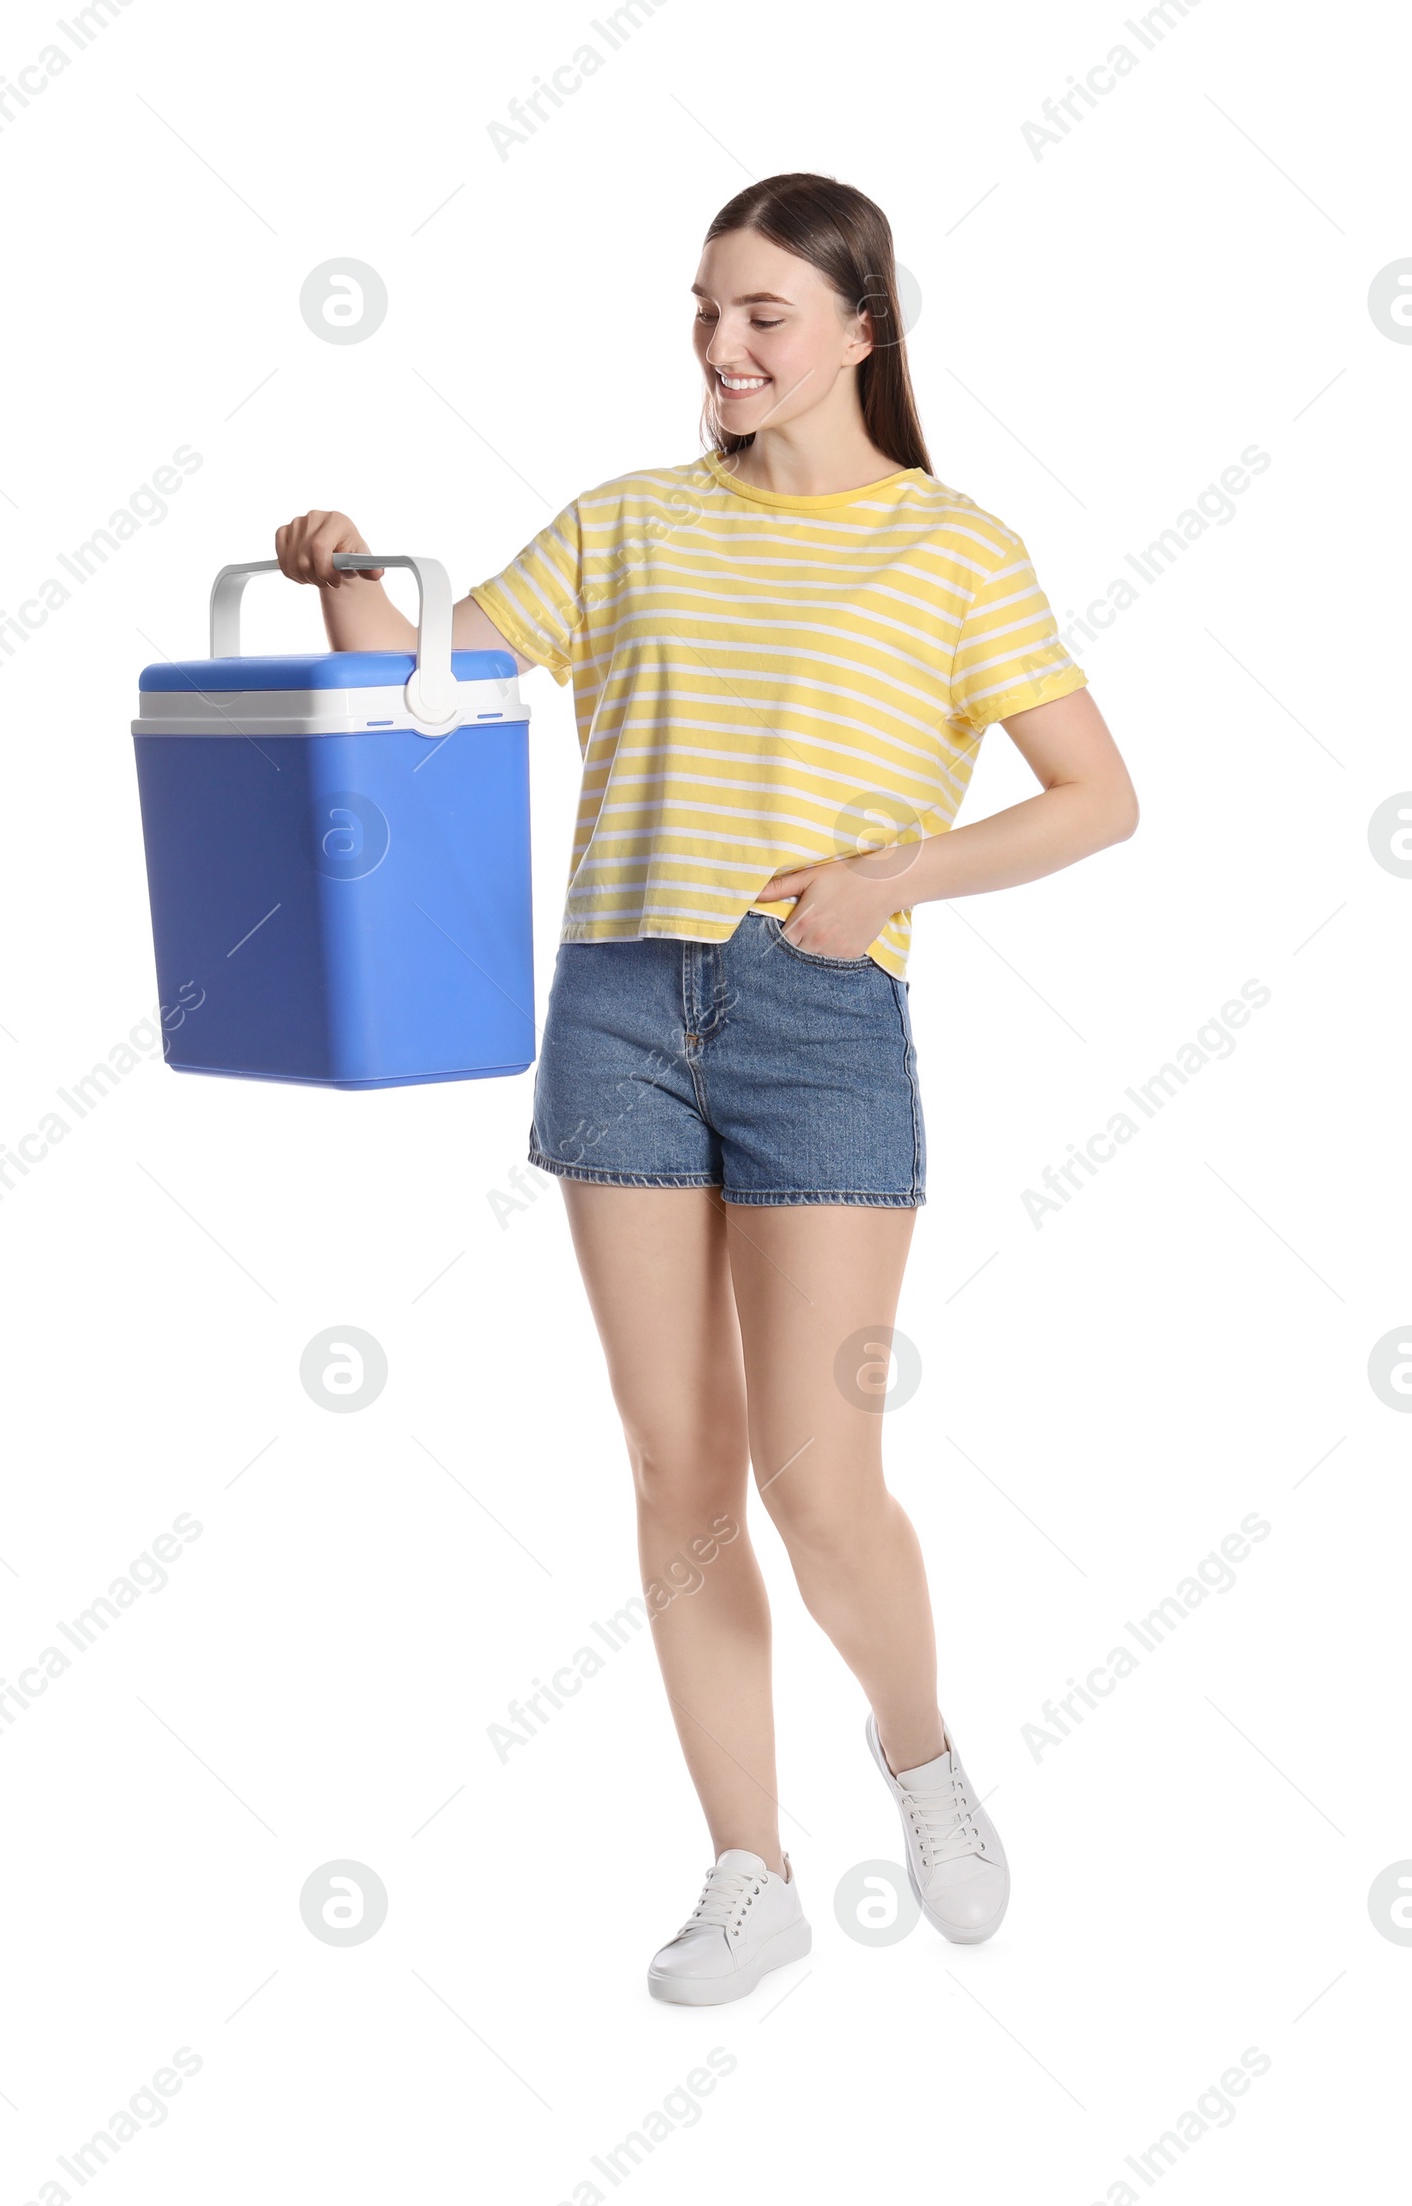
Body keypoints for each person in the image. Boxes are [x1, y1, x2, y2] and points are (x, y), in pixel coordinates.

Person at [275, 171, 1138, 2007]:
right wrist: (342, 564)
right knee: (680, 1464)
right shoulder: (629, 523)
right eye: (704, 310)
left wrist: (885, 883)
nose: (724, 346)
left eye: (762, 314)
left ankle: (921, 1754)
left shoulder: (953, 545)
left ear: (859, 330)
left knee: (823, 1481)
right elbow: (430, 685)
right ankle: (749, 1864)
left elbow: (1096, 796)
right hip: (616, 1008)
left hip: (821, 1015)